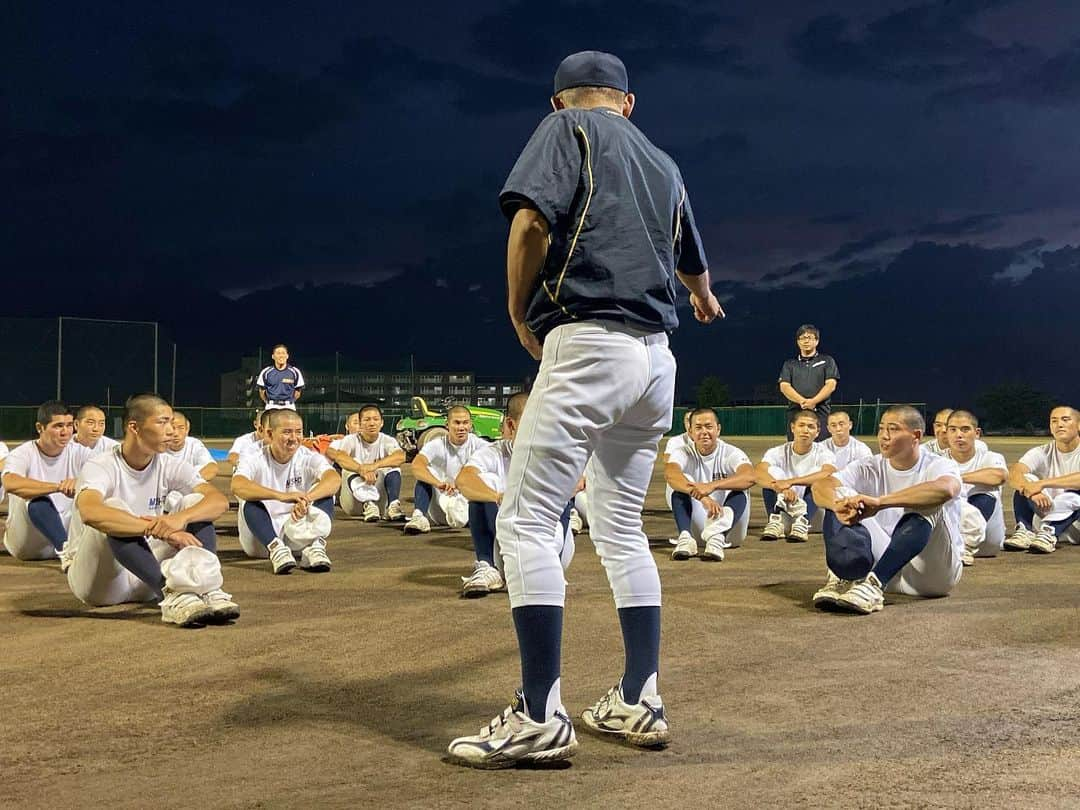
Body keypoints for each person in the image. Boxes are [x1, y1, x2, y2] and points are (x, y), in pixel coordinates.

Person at [448, 50, 721, 768]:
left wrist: (516, 309)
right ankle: (639, 696)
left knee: (527, 519)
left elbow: (533, 223)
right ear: (628, 102)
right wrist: (701, 295)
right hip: (657, 357)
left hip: (591, 339)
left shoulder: (567, 128)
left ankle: (539, 714)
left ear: (559, 100)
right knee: (622, 524)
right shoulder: (663, 160)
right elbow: (689, 252)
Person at [65, 394, 238, 626]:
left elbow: (218, 501)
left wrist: (180, 518)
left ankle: (207, 588)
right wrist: (162, 530)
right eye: (162, 422)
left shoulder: (168, 463)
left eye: (172, 423)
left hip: (145, 572)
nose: (171, 431)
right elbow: (90, 512)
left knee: (195, 502)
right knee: (112, 508)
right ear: (134, 427)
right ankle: (170, 594)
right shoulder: (101, 465)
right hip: (100, 583)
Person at [810, 405, 963, 615]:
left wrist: (881, 502)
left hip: (932, 576)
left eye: (893, 429)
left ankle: (874, 584)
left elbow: (946, 489)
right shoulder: (869, 465)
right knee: (841, 496)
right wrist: (838, 504)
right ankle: (845, 577)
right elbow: (820, 486)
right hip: (885, 563)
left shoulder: (938, 464)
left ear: (915, 436)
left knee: (928, 501)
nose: (884, 436)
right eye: (881, 428)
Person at [454, 392, 575, 598]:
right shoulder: (495, 452)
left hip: (550, 543)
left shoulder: (555, 452)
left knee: (563, 486)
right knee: (485, 484)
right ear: (511, 425)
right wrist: (500, 497)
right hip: (505, 544)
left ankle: (549, 569)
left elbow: (578, 481)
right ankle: (487, 567)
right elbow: (464, 480)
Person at [231, 409, 340, 574]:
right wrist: (281, 496)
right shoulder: (254, 456)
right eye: (287, 432)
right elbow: (237, 485)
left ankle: (316, 547)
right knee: (248, 499)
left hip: (297, 529)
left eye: (298, 432)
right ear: (270, 433)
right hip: (261, 539)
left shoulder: (306, 456)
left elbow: (333, 479)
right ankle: (277, 549)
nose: (294, 438)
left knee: (325, 493)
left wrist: (306, 499)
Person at [2, 401, 91, 562]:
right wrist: (57, 487)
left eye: (69, 425)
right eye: (58, 426)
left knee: (98, 494)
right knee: (35, 497)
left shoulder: (80, 452)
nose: (65, 432)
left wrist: (79, 482)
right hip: (27, 544)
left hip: (67, 535)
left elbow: (103, 478)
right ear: (39, 428)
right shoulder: (23, 453)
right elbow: (10, 483)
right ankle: (68, 554)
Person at [664, 408, 754, 561]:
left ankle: (717, 538)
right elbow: (670, 474)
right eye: (698, 428)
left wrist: (712, 486)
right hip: (698, 524)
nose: (704, 432)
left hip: (729, 529)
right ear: (690, 432)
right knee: (679, 481)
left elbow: (750, 476)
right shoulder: (682, 452)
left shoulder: (730, 452)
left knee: (741, 488)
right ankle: (685, 538)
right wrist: (702, 497)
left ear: (718, 429)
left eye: (709, 426)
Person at [1005, 406, 1080, 554]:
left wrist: (1041, 484)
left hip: (1076, 523)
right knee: (1026, 479)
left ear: (1079, 425)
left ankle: (1051, 532)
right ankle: (1025, 530)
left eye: (1065, 420)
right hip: (1044, 521)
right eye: (1054, 421)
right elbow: (1014, 472)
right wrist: (1030, 490)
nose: (1059, 424)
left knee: (1073, 494)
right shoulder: (1042, 451)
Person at [404, 405, 486, 535]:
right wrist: (438, 483)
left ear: (471, 425)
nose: (461, 427)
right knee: (426, 472)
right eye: (457, 423)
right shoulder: (436, 444)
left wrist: (462, 484)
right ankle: (419, 516)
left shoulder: (480, 445)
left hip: (467, 504)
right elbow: (416, 466)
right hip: (440, 504)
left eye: (465, 423)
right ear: (447, 425)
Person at [757, 410, 836, 542]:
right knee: (772, 473)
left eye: (811, 427)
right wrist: (778, 486)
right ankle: (775, 520)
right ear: (792, 428)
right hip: (784, 508)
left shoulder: (824, 453)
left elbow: (828, 472)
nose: (805, 430)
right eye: (801, 425)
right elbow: (759, 471)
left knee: (819, 476)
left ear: (817, 432)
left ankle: (802, 521)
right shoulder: (777, 451)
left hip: (813, 516)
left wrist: (791, 482)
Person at [944, 410, 1006, 565]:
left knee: (987, 489)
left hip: (987, 540)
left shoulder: (990, 457)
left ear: (977, 433)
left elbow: (999, 476)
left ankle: (967, 544)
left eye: (965, 429)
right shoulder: (938, 460)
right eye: (953, 430)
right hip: (949, 537)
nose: (959, 435)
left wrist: (958, 478)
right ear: (946, 434)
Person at [325, 404, 406, 522]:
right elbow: (340, 457)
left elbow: (400, 456)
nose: (372, 423)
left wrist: (374, 466)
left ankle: (393, 505)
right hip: (354, 502)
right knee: (351, 464)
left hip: (379, 502)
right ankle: (368, 504)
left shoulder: (388, 440)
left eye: (376, 419)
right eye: (367, 420)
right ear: (360, 423)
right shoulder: (350, 440)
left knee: (392, 466)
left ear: (382, 422)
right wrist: (360, 469)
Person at [777, 325, 838, 435]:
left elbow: (831, 385)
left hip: (821, 413)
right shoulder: (789, 364)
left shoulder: (827, 361)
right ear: (798, 342)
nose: (806, 341)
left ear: (817, 341)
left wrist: (813, 401)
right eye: (802, 338)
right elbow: (784, 386)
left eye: (809, 337)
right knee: (796, 447)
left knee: (821, 447)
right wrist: (802, 401)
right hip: (796, 412)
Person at [165, 411, 218, 481]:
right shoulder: (157, 447)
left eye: (181, 428)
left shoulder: (194, 444)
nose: (176, 434)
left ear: (187, 430)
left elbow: (212, 468)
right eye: (172, 428)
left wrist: (186, 484)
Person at [256, 344, 305, 410]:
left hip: (289, 406)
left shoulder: (295, 372)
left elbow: (298, 391)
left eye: (283, 353)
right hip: (271, 406)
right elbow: (261, 391)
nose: (281, 356)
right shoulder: (266, 372)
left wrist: (290, 401)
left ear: (287, 356)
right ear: (273, 356)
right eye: (278, 353)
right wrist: (267, 402)